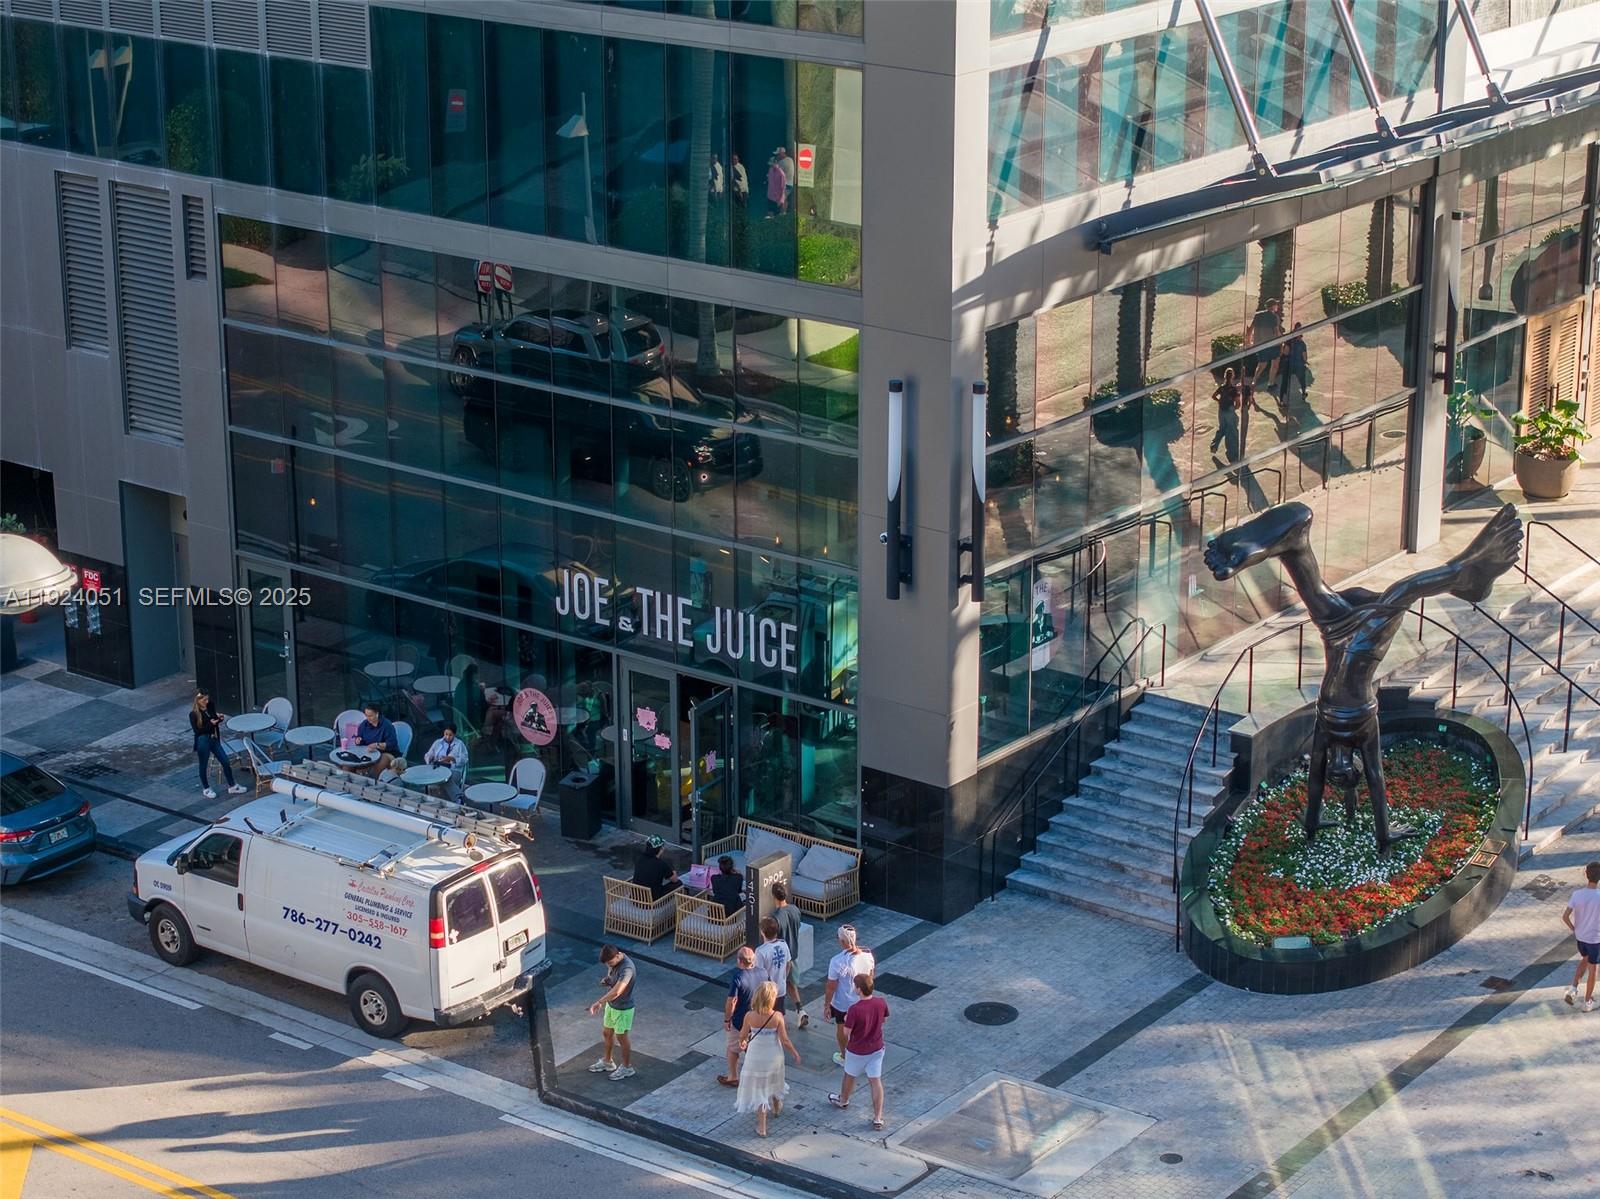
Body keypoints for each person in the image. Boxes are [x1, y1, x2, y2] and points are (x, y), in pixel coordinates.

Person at [735, 981, 800, 1138]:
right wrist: (794, 1053)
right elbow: (784, 1040)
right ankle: (777, 1108)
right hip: (773, 1055)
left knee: (759, 1090)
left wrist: (742, 1042)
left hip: (755, 1056)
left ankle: (762, 1128)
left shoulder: (750, 1016)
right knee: (774, 1081)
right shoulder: (777, 1017)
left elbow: (742, 1035)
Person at [828, 973, 889, 1132]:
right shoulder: (881, 1002)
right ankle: (878, 1118)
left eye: (855, 985)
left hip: (856, 1051)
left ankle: (843, 1100)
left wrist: (848, 1018)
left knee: (849, 1076)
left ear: (859, 989)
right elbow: (884, 1020)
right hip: (876, 1049)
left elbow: (847, 1032)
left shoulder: (854, 1010)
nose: (853, 988)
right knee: (875, 1082)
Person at [824, 925, 875, 1067]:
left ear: (842, 942)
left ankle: (845, 1056)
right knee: (861, 1029)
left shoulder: (836, 961)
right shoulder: (868, 956)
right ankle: (863, 1055)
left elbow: (831, 985)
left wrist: (826, 1005)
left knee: (842, 1029)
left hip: (843, 1003)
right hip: (862, 1001)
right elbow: (871, 977)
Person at [586, 944, 637, 1080]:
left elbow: (617, 991)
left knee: (622, 1038)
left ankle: (627, 1067)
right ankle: (607, 1062)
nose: (609, 965)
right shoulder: (614, 962)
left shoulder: (627, 969)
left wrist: (599, 1002)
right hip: (612, 1005)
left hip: (623, 1009)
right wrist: (608, 980)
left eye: (610, 962)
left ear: (618, 955)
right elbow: (613, 980)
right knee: (607, 1033)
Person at [189, 691, 247, 800]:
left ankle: (232, 785)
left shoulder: (210, 706)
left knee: (225, 761)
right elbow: (197, 731)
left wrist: (219, 719)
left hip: (214, 738)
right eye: (204, 700)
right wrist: (210, 724)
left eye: (207, 699)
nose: (207, 702)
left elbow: (214, 720)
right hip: (203, 740)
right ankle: (206, 788)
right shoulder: (193, 714)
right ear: (198, 701)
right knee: (203, 765)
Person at [719, 946, 761, 1086]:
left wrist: (727, 1019)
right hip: (758, 1019)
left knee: (733, 1048)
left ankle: (733, 1076)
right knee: (753, 1048)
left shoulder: (738, 977)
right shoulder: (763, 973)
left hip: (739, 1020)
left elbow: (732, 1001)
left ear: (739, 961)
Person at [1563, 860, 1600, 1013]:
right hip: (1595, 939)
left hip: (1581, 938)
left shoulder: (1577, 894)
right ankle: (1587, 1001)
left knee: (1583, 960)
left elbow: (1565, 917)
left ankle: (1573, 989)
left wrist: (1574, 929)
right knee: (1593, 970)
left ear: (1586, 875)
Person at [771, 882, 807, 1026]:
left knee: (777, 987)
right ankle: (800, 1010)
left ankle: (775, 1015)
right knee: (791, 984)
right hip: (793, 954)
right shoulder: (795, 910)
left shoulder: (776, 917)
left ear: (774, 897)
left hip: (780, 958)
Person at [755, 915, 792, 1012]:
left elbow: (759, 974)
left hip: (767, 992)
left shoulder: (760, 951)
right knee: (779, 1015)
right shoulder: (783, 944)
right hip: (780, 988)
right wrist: (783, 977)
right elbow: (788, 964)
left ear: (762, 932)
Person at [423, 724, 469, 796]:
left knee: (445, 779)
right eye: (446, 734)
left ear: (454, 734)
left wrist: (453, 759)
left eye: (450, 735)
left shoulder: (459, 744)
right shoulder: (438, 742)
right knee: (431, 776)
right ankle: (457, 796)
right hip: (438, 768)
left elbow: (465, 759)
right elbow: (428, 754)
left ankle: (458, 797)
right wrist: (430, 759)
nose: (447, 737)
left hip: (454, 770)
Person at [355, 705, 399, 776]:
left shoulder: (387, 725)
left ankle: (376, 781)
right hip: (369, 752)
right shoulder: (364, 724)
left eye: (370, 716)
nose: (368, 718)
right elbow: (360, 739)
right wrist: (358, 740)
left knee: (381, 761)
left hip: (386, 753)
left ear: (377, 714)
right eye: (366, 715)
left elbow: (392, 744)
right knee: (351, 763)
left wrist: (377, 745)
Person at [632, 835, 681, 899]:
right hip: (651, 901)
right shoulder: (661, 864)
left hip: (635, 898)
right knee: (679, 884)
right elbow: (675, 880)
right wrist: (673, 869)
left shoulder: (639, 858)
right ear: (661, 849)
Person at [1249, 298, 1283, 389]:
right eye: (1276, 305)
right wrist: (1282, 341)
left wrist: (1248, 341)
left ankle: (1254, 381)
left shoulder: (1258, 315)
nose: (1277, 306)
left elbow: (1251, 329)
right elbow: (1276, 332)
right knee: (1275, 364)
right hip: (1273, 344)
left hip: (1260, 344)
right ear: (1272, 307)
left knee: (1261, 365)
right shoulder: (1274, 317)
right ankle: (1271, 383)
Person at [1210, 368, 1242, 462]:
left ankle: (1214, 446)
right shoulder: (1233, 389)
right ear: (1233, 377)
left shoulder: (1222, 388)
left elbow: (1213, 396)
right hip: (1229, 411)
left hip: (1221, 410)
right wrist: (1234, 408)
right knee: (1231, 432)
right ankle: (1232, 454)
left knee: (1222, 428)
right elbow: (1238, 404)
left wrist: (1219, 401)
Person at [1279, 323, 1310, 403]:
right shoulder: (1302, 344)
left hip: (1288, 364)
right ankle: (1303, 393)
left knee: (1284, 382)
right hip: (1298, 365)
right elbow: (1304, 357)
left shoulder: (1289, 341)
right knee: (1302, 379)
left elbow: (1285, 352)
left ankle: (1282, 400)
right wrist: (1305, 362)